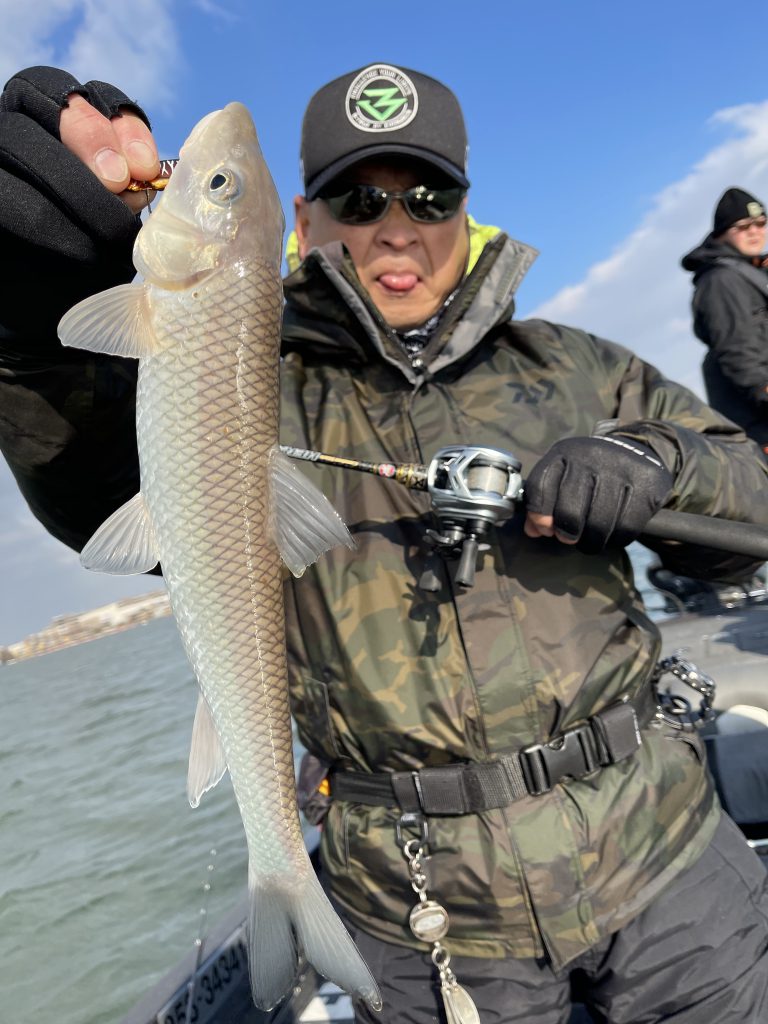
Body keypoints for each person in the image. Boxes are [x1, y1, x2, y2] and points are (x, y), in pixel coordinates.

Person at [2, 64, 768, 1024]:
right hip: (417, 914)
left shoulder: (579, 366)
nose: (397, 227)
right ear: (303, 222)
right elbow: (90, 480)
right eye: (359, 200)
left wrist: (659, 462)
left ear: (466, 212)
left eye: (428, 196)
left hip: (668, 856)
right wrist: (30, 338)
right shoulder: (260, 380)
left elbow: (749, 520)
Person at [681, 187, 768, 456]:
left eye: (760, 223)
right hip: (758, 421)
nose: (754, 232)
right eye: (742, 227)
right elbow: (738, 353)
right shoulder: (721, 280)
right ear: (721, 233)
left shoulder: (751, 271)